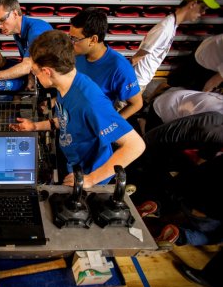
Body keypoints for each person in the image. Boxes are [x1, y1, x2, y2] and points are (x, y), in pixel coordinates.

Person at [10, 30, 146, 187]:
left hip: (90, 179)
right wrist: (35, 126)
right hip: (74, 166)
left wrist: (91, 179)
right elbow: (68, 119)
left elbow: (135, 145)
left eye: (35, 72)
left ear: (47, 72)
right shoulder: (65, 86)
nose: (35, 77)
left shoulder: (90, 101)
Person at [131, 0, 220, 98]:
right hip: (137, 80)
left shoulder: (171, 25)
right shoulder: (165, 28)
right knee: (121, 112)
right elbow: (136, 58)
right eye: (202, 8)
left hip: (141, 79)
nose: (203, 13)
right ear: (193, 4)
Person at [70, 8, 142, 120]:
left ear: (93, 40)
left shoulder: (119, 67)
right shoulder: (78, 54)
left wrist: (111, 125)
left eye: (74, 39)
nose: (71, 43)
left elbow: (136, 104)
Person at [0, 0, 52, 93]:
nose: (0, 26)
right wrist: (31, 77)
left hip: (57, 83)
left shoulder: (36, 31)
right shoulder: (17, 34)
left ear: (14, 13)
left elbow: (26, 66)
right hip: (46, 81)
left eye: (2, 20)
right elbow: (30, 61)